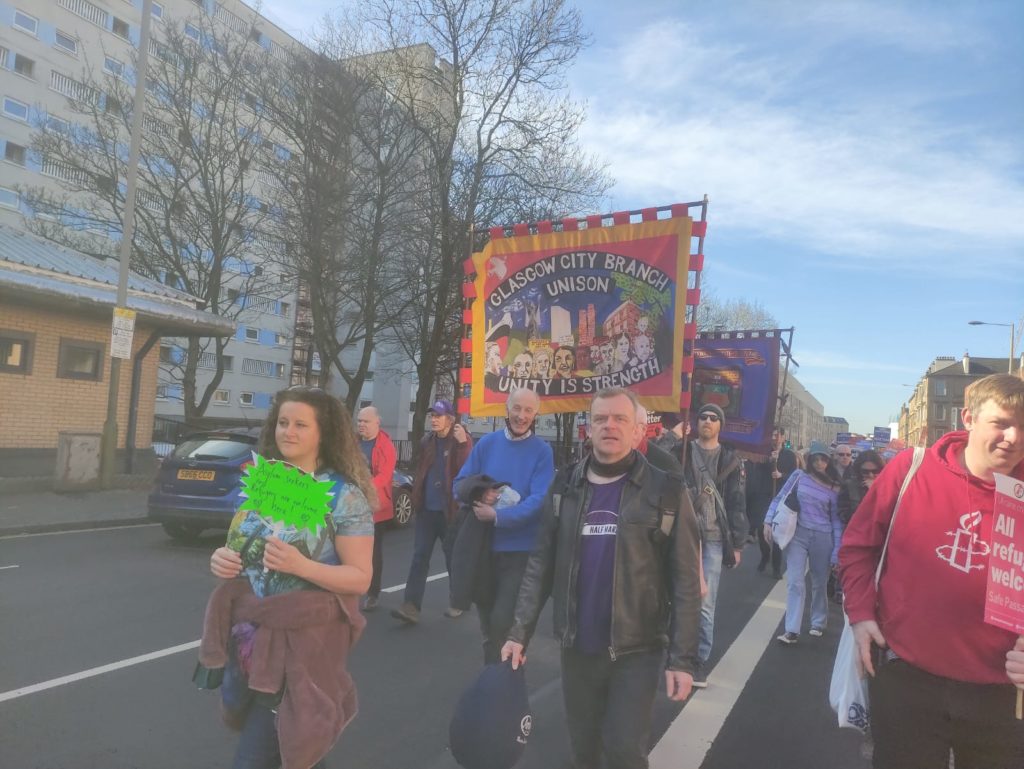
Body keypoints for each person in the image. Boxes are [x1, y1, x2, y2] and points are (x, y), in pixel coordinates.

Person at [502, 388, 702, 769]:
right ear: (588, 428)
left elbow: (686, 582)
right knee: (584, 750)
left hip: (637, 649)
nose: (609, 425)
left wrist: (683, 659)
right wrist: (518, 632)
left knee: (624, 750)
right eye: (600, 419)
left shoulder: (668, 491)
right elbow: (540, 564)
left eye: (620, 419)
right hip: (577, 647)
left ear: (637, 430)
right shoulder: (564, 486)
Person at [840, 374, 1024, 769]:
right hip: (908, 677)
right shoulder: (912, 469)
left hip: (1002, 693)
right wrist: (860, 614)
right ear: (968, 418)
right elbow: (858, 547)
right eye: (1002, 423)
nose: (1014, 437)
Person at [203, 386, 375, 769]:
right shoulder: (264, 483)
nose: (288, 432)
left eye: (300, 424)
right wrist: (222, 560)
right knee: (296, 748)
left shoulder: (343, 497)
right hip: (249, 642)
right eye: (283, 422)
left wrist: (302, 566)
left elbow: (361, 578)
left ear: (323, 433)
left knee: (260, 752)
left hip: (302, 648)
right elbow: (243, 549)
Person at [452, 387, 555, 663]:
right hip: (484, 547)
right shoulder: (487, 444)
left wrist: (499, 517)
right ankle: (497, 676)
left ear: (536, 415)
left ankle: (504, 677)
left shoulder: (542, 451)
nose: (521, 415)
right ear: (507, 409)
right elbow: (458, 485)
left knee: (502, 622)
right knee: (488, 622)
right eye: (517, 408)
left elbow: (540, 500)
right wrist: (480, 492)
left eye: (528, 410)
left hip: (520, 550)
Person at [391, 400, 473, 624]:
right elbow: (422, 470)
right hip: (427, 510)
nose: (434, 420)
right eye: (432, 416)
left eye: (438, 416)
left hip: (450, 512)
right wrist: (416, 495)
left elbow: (467, 469)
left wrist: (463, 444)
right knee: (419, 557)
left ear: (450, 419)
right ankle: (411, 606)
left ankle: (458, 600)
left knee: (453, 558)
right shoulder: (427, 441)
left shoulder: (461, 441)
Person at [683, 402, 746, 687]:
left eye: (713, 417)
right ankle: (678, 655)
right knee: (677, 597)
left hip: (713, 538)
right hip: (682, 535)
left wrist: (738, 544)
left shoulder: (730, 460)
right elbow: (653, 457)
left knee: (705, 603)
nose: (707, 421)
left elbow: (736, 501)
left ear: (721, 425)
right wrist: (673, 434)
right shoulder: (682, 451)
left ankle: (698, 660)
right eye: (703, 416)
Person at [765, 440, 842, 644]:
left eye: (823, 459)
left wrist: (837, 550)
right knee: (795, 581)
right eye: (815, 459)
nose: (819, 463)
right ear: (809, 460)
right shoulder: (799, 476)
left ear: (829, 461)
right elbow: (780, 498)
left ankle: (818, 621)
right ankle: (791, 630)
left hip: (823, 537)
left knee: (819, 582)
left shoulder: (834, 486)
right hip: (798, 533)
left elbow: (836, 520)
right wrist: (768, 520)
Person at [356, 406, 397, 611]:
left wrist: (363, 488)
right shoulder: (354, 443)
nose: (361, 424)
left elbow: (385, 475)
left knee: (373, 553)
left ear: (377, 423)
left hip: (375, 506)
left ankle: (373, 594)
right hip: (352, 503)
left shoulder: (385, 445)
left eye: (366, 421)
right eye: (359, 421)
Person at [746, 427, 797, 580]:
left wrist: (782, 475)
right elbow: (756, 468)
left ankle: (776, 566)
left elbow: (794, 476)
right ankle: (765, 555)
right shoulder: (764, 453)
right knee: (762, 530)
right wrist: (770, 461)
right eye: (773, 435)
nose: (775, 438)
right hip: (763, 496)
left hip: (780, 497)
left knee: (776, 532)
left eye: (778, 435)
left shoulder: (789, 455)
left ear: (783, 437)